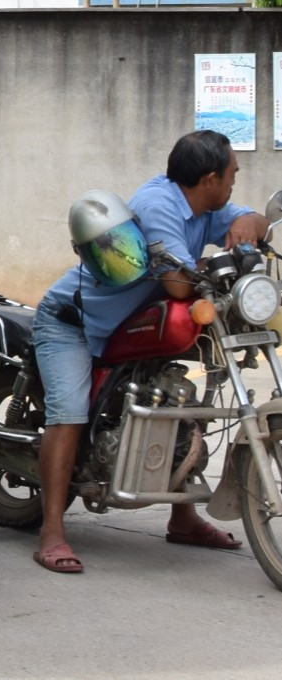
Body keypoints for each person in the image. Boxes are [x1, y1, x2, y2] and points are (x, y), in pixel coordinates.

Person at [30, 130, 265, 575]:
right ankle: (53, 531)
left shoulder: (202, 205)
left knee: (183, 401)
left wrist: (250, 220)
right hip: (75, 324)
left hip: (134, 326)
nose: (236, 181)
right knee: (69, 414)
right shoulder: (159, 205)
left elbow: (250, 221)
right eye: (233, 174)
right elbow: (179, 282)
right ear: (211, 178)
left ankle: (183, 517)